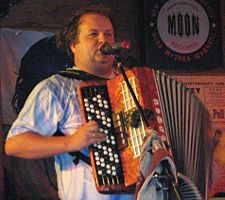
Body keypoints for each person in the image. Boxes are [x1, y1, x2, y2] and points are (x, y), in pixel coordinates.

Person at [5, 6, 134, 200]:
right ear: (74, 44)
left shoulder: (131, 86)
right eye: (93, 34)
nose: (104, 40)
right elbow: (15, 144)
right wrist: (71, 142)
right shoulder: (57, 87)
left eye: (108, 34)